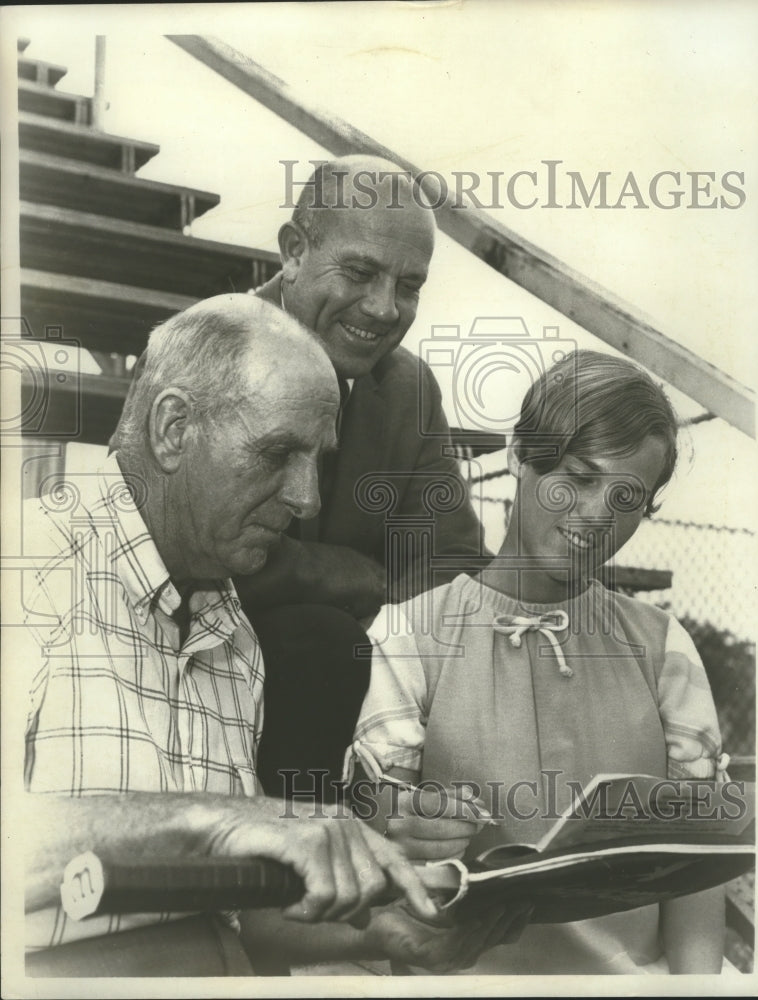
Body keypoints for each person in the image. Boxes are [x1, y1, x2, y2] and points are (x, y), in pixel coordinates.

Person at [21, 294, 511, 976]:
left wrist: (388, 934)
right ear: (172, 427)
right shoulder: (27, 564)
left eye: (318, 461)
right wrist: (214, 823)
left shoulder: (233, 631)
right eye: (277, 452)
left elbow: (235, 925)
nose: (306, 498)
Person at [114, 155, 487, 799]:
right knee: (319, 642)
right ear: (293, 251)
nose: (384, 308)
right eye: (361, 271)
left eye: (409, 285)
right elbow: (153, 549)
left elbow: (451, 568)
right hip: (199, 667)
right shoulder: (203, 348)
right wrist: (345, 573)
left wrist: (329, 591)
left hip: (357, 679)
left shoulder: (407, 388)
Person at [345, 350, 729, 974]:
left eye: (627, 496)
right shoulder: (409, 635)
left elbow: (695, 877)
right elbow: (379, 850)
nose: (599, 514)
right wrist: (400, 827)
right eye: (578, 477)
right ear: (521, 455)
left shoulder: (663, 648)